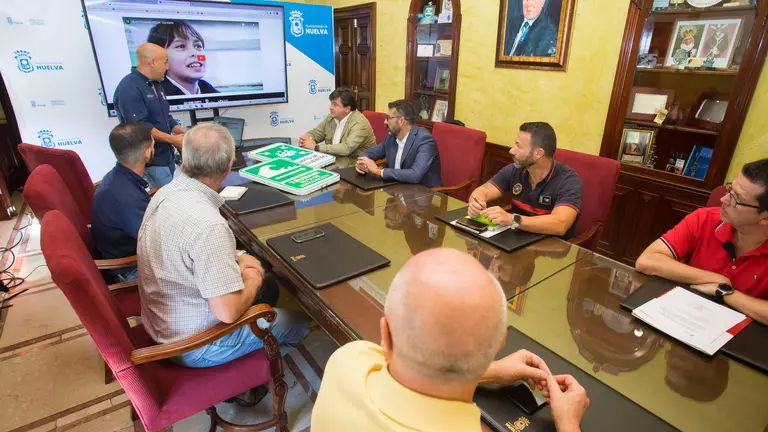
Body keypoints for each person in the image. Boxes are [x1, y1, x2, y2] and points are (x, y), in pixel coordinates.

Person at [312, 248, 589, 432]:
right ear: (499, 342)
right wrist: (569, 424)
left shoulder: (348, 359)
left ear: (385, 334)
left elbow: (418, 372)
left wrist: (491, 371)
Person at [137, 123, 309, 367]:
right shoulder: (209, 226)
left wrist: (237, 254)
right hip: (194, 345)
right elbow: (227, 314)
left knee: (269, 287)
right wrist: (252, 277)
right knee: (298, 323)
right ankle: (253, 371)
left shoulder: (166, 192)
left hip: (164, 321)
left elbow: (189, 246)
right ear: (229, 166)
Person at [635, 159, 768, 325]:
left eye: (735, 198)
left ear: (765, 218)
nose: (724, 200)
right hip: (684, 319)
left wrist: (726, 293)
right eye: (730, 189)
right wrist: (715, 279)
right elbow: (646, 261)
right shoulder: (704, 218)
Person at [468, 122, 583, 238]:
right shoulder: (514, 170)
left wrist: (513, 220)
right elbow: (483, 191)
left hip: (551, 250)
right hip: (517, 240)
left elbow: (560, 225)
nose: (511, 150)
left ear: (538, 153)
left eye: (518, 146)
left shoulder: (568, 180)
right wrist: (476, 204)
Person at [113, 43, 186, 188]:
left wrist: (186, 134)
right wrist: (172, 139)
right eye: (165, 62)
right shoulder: (129, 88)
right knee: (167, 201)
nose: (167, 67)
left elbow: (165, 117)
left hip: (167, 156)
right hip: (152, 161)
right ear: (152, 62)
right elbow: (140, 127)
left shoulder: (157, 84)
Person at [91, 123, 154, 282]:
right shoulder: (128, 199)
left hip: (123, 253)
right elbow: (156, 244)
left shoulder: (115, 178)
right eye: (153, 146)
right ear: (146, 153)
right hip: (131, 269)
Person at [355, 100, 442, 188]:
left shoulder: (424, 139)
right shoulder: (391, 137)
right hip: (396, 189)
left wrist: (378, 171)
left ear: (401, 121)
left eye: (388, 118)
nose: (385, 122)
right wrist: (362, 163)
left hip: (422, 194)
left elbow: (415, 175)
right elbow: (368, 153)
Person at [147, 20, 219, 96]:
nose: (195, 53)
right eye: (181, 46)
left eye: (198, 46)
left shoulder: (207, 88)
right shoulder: (154, 97)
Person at [298, 87, 376, 157]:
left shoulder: (360, 123)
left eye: (335, 105)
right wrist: (305, 139)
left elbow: (346, 148)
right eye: (331, 103)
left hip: (356, 164)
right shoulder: (332, 117)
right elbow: (316, 133)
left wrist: (316, 147)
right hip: (336, 160)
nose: (330, 107)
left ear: (347, 108)